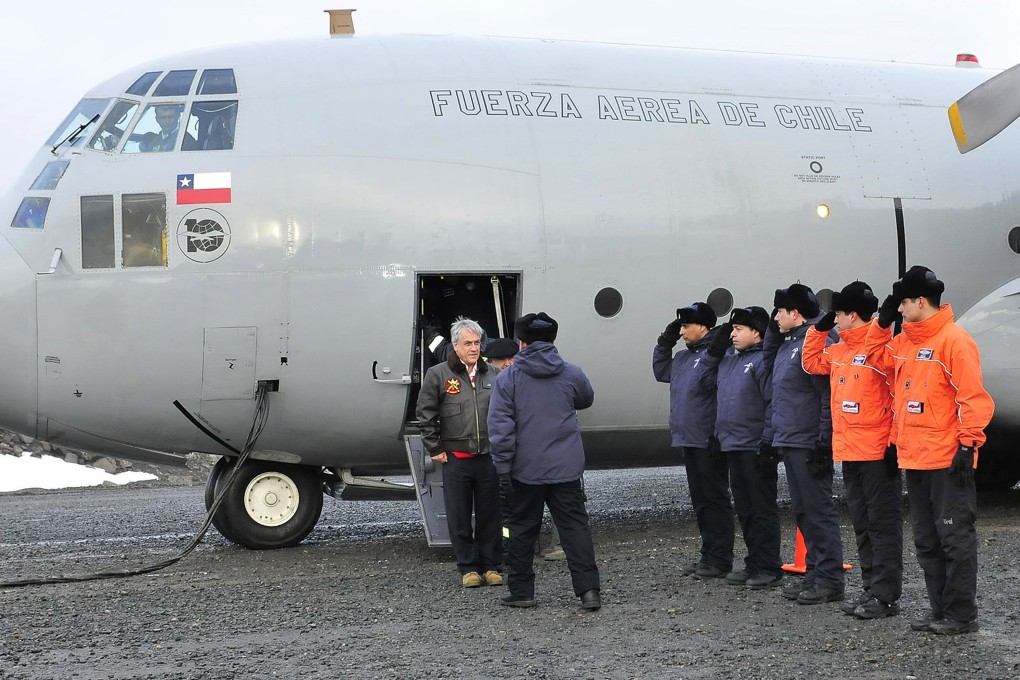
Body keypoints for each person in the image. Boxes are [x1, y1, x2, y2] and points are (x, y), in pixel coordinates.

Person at [869, 266, 994, 634]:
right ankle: (941, 609)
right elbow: (876, 363)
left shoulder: (954, 341)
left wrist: (967, 444)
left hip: (945, 458)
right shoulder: (905, 342)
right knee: (927, 540)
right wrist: (882, 324)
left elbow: (973, 398)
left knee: (954, 537)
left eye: (903, 304)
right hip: (915, 456)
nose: (900, 310)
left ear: (920, 301)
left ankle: (960, 614)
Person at [802, 281, 903, 619]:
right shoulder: (840, 350)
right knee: (862, 524)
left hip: (876, 453)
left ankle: (886, 594)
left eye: (840, 314)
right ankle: (871, 587)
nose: (836, 319)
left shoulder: (881, 350)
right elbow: (812, 362)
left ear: (853, 314)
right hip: (849, 451)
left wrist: (892, 444)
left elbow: (896, 397)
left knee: (882, 526)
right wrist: (819, 329)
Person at [488, 312, 600, 610]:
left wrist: (502, 466)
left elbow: (500, 427)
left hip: (525, 469)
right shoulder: (571, 372)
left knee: (523, 528)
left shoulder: (507, 378)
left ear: (521, 343)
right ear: (553, 339)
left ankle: (522, 591)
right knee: (574, 528)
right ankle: (589, 591)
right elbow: (586, 399)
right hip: (566, 468)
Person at [764, 283, 844, 605]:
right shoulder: (789, 343)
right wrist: (775, 325)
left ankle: (830, 578)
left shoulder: (816, 341)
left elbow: (826, 396)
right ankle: (814, 573)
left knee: (819, 510)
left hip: (809, 440)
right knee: (802, 512)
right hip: (792, 439)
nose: (775, 317)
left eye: (780, 311)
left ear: (795, 314)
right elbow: (769, 355)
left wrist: (824, 442)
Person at [698, 306, 784, 590]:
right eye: (732, 330)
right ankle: (753, 562)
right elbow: (705, 380)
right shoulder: (728, 362)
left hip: (755, 446)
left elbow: (773, 403)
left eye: (738, 330)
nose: (732, 335)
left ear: (757, 334)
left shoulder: (761, 363)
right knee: (745, 508)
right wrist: (715, 349)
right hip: (732, 444)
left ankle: (768, 565)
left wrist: (768, 441)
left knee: (761, 507)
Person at [415, 317, 503, 589]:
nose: (474, 348)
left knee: (490, 514)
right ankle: (468, 567)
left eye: (477, 343)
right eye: (468, 343)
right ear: (456, 345)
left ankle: (490, 565)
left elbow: (504, 413)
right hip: (457, 460)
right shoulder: (439, 374)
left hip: (488, 458)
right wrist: (435, 448)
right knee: (459, 515)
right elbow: (425, 413)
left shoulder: (493, 374)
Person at [653, 302, 734, 579]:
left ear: (703, 327)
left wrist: (717, 432)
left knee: (715, 498)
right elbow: (660, 371)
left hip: (708, 438)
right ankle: (708, 554)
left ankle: (721, 558)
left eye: (686, 326)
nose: (683, 331)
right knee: (700, 500)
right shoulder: (684, 358)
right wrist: (665, 341)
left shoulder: (718, 354)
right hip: (689, 438)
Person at [485, 336, 567, 561]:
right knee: (505, 509)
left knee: (532, 507)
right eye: (500, 360)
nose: (507, 363)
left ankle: (526, 549)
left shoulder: (523, 382)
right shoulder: (488, 383)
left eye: (511, 357)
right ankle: (509, 549)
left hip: (524, 458)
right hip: (499, 456)